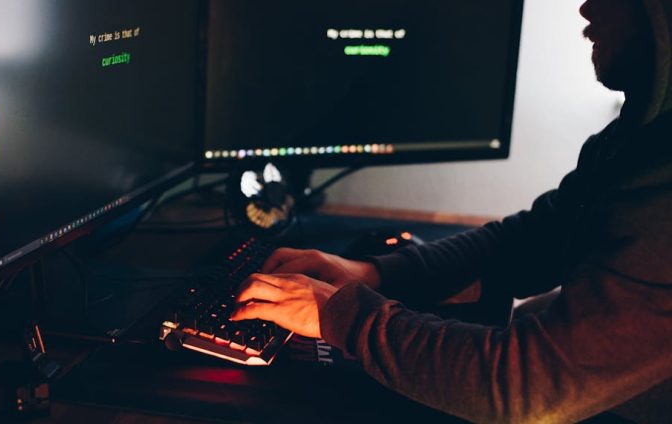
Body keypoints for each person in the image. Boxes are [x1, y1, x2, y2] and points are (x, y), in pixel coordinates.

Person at [231, 0, 672, 422]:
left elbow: (525, 390)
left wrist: (336, 314)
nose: (586, 8)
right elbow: (531, 241)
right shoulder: (637, 138)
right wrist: (373, 274)